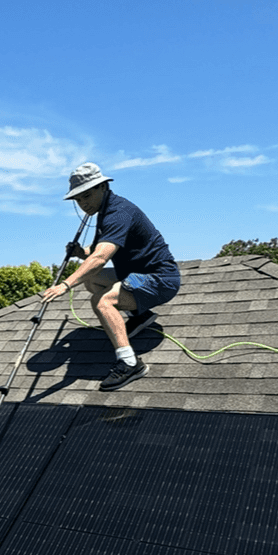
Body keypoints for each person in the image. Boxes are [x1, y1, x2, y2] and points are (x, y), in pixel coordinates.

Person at [41, 161, 182, 390]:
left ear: (103, 187)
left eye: (87, 196)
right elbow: (94, 252)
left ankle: (130, 363)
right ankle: (139, 316)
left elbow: (99, 259)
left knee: (101, 300)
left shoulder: (118, 212)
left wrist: (65, 285)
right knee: (92, 279)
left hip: (159, 279)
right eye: (78, 200)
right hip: (138, 275)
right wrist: (80, 253)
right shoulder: (104, 212)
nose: (83, 203)